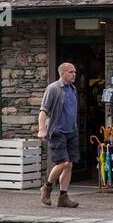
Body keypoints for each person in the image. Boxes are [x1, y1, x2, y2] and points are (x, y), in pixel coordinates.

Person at [37, 62, 80, 208]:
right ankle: (47, 187)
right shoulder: (53, 88)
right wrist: (42, 129)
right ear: (62, 73)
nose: (74, 74)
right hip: (57, 131)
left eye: (74, 72)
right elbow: (43, 111)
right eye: (71, 72)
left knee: (69, 165)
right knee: (63, 163)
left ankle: (63, 197)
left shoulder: (73, 89)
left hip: (71, 131)